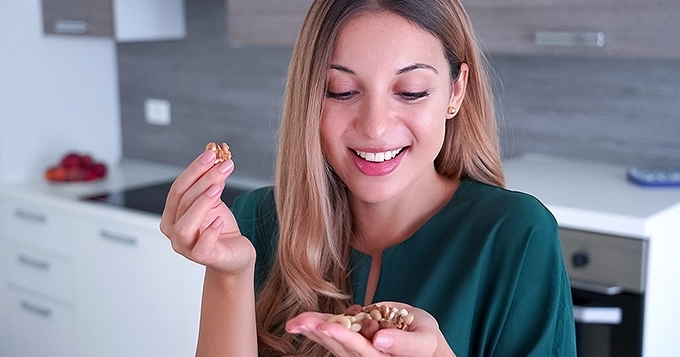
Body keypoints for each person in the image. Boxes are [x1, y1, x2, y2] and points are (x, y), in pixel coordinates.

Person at [160, 0, 577, 356]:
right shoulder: (256, 220)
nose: (375, 127)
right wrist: (230, 276)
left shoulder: (516, 235)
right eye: (341, 91)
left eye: (411, 91)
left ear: (456, 91)